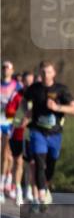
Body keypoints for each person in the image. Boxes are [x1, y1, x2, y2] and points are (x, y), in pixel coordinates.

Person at [22, 61, 74, 210]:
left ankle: (44, 188)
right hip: (37, 131)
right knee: (39, 162)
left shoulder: (61, 90)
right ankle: (41, 196)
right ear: (39, 74)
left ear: (54, 73)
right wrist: (26, 111)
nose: (45, 75)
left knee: (51, 165)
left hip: (55, 133)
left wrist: (57, 107)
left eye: (48, 72)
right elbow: (24, 100)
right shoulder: (34, 89)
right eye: (42, 72)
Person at [5, 71, 34, 206]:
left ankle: (28, 189)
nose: (28, 85)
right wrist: (18, 120)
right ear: (22, 82)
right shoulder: (17, 95)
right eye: (26, 82)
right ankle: (18, 190)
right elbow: (9, 113)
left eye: (30, 82)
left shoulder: (37, 95)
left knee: (31, 163)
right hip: (17, 134)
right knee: (19, 162)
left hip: (32, 134)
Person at [1, 60, 21, 201]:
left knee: (8, 154)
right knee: (2, 153)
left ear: (12, 70)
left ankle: (7, 181)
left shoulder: (17, 86)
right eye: (3, 67)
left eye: (8, 68)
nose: (5, 70)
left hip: (10, 121)